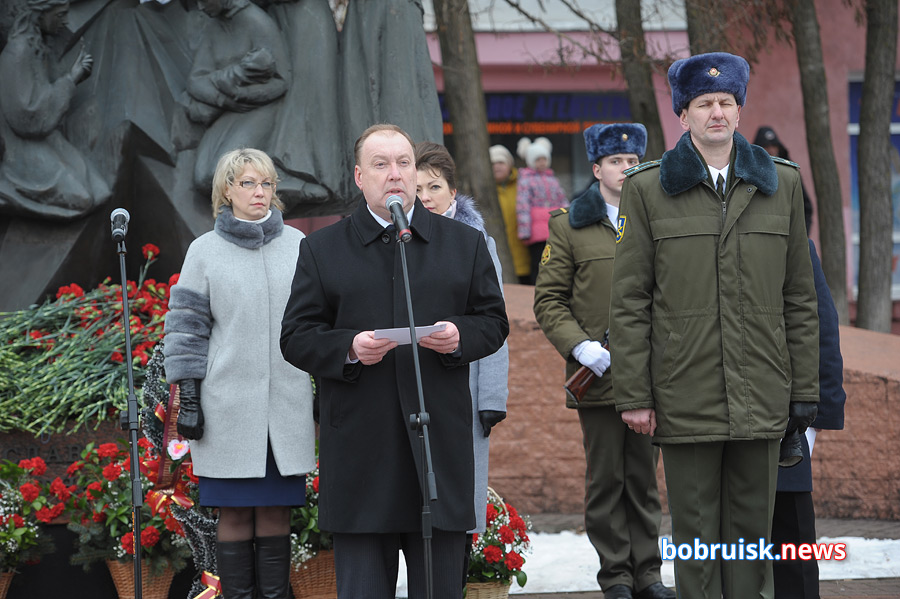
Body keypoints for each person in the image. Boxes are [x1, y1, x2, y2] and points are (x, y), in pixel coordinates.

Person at [609, 52, 820, 599]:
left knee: (753, 543)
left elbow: (800, 296)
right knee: (699, 545)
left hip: (762, 393)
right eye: (703, 104)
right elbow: (629, 300)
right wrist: (634, 393)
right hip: (686, 393)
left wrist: (804, 392)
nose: (717, 113)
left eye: (726, 102)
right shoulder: (648, 189)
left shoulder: (783, 185)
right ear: (683, 115)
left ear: (740, 109)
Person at [280, 124, 508, 599]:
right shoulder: (323, 248)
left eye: (404, 162)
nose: (396, 174)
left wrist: (458, 336)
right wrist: (348, 348)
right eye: (381, 165)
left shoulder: (462, 244)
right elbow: (296, 336)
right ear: (360, 177)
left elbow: (492, 321)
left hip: (437, 452)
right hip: (362, 452)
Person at [163, 148, 316, 599]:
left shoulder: (299, 246)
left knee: (275, 514)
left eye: (266, 184)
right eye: (248, 183)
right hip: (225, 409)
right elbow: (186, 330)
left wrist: (327, 383)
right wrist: (188, 399)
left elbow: (319, 322)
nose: (259, 192)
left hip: (285, 408)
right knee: (232, 516)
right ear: (226, 190)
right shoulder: (204, 251)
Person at [533, 123, 673, 599]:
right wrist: (580, 347)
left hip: (650, 372)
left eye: (633, 162)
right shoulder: (568, 224)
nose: (626, 169)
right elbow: (549, 301)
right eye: (616, 161)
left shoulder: (658, 219)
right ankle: (615, 574)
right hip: (599, 372)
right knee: (606, 480)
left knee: (645, 481)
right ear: (597, 168)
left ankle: (649, 573)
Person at [755, 129, 848, 599]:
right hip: (726, 419)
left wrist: (817, 417)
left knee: (792, 549)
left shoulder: (797, 246)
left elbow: (822, 330)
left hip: (788, 422)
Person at [414, 140, 509, 540]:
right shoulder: (401, 241)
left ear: (453, 191)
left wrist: (491, 399)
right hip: (413, 384)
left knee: (459, 497)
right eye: (416, 189)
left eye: (434, 187)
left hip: (464, 387)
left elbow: (494, 325)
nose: (426, 197)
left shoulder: (478, 244)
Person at [0, 0, 110, 220]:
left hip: (44, 136)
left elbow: (43, 93)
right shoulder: (17, 51)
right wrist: (71, 79)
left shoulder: (36, 47)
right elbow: (26, 117)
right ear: (39, 15)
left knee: (101, 191)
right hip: (21, 145)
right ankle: (6, 191)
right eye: (59, 16)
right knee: (81, 200)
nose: (65, 22)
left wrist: (72, 75)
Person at [515, 136, 568, 283]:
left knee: (555, 259)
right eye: (538, 160)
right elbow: (523, 206)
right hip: (537, 231)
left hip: (554, 227)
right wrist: (525, 231)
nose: (542, 163)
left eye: (544, 159)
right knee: (537, 260)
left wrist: (568, 218)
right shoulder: (526, 180)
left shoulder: (553, 180)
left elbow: (562, 199)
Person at [490, 144, 531, 283]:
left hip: (525, 259)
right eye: (492, 163)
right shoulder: (484, 193)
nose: (497, 166)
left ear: (509, 164)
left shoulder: (524, 186)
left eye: (501, 162)